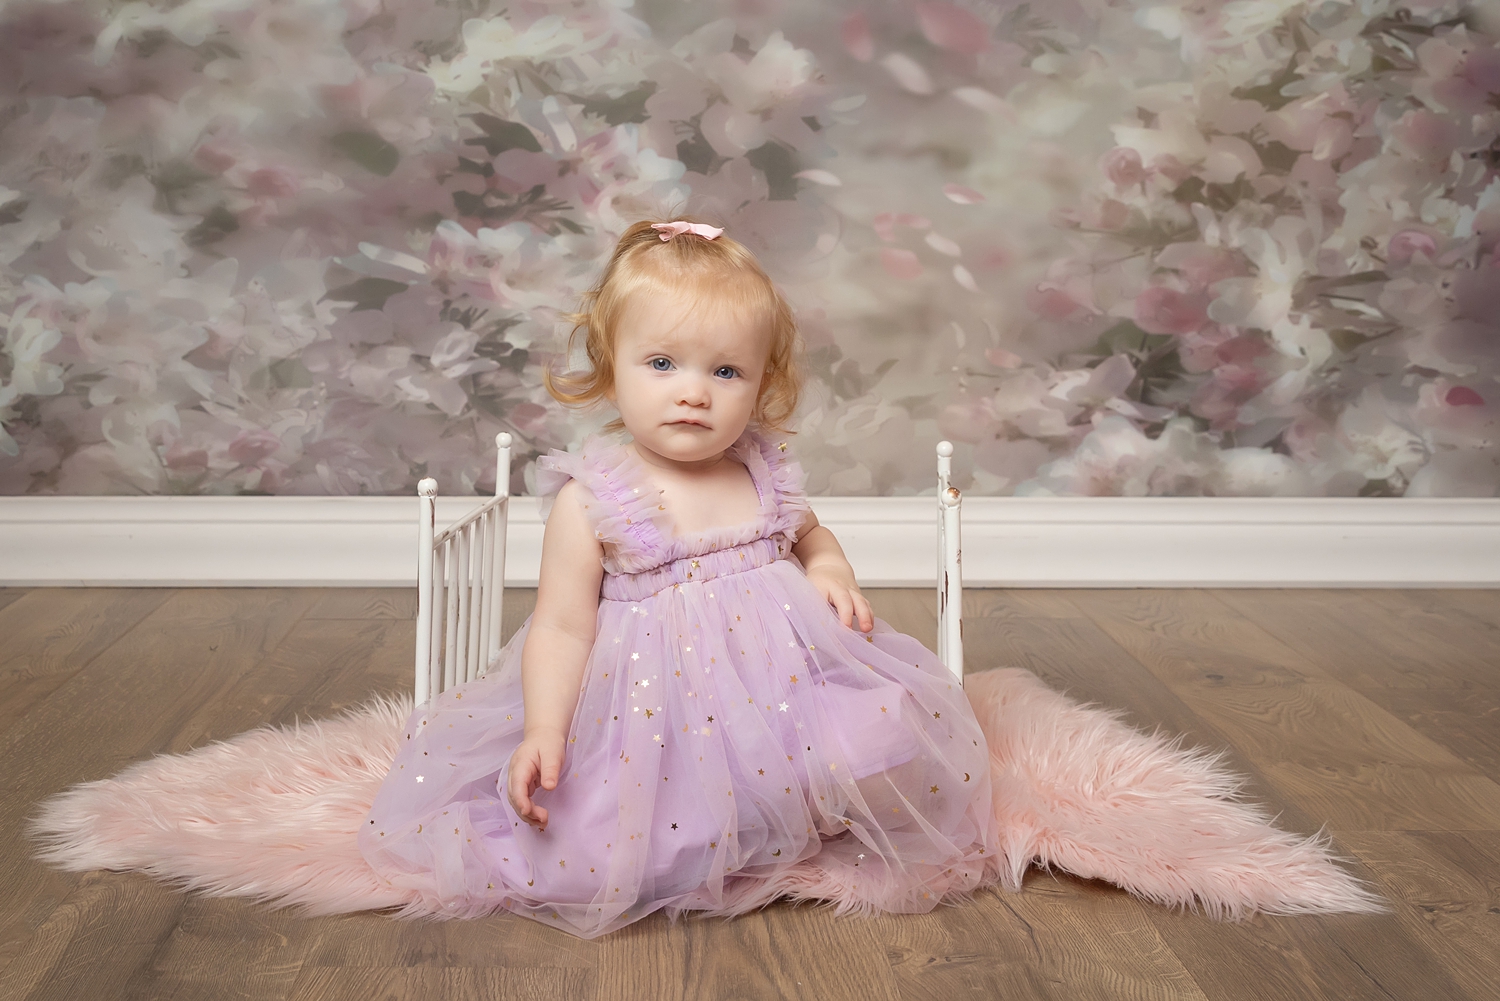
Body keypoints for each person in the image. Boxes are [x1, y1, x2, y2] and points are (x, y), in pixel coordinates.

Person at [357, 218, 994, 938]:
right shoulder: (595, 499)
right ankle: (706, 827)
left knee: (885, 735)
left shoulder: (761, 471)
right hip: (654, 713)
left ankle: (788, 807)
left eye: (725, 372)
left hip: (781, 692)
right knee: (613, 847)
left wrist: (827, 565)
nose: (694, 393)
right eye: (662, 363)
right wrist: (544, 729)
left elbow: (810, 532)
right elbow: (562, 627)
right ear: (611, 368)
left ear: (761, 384)